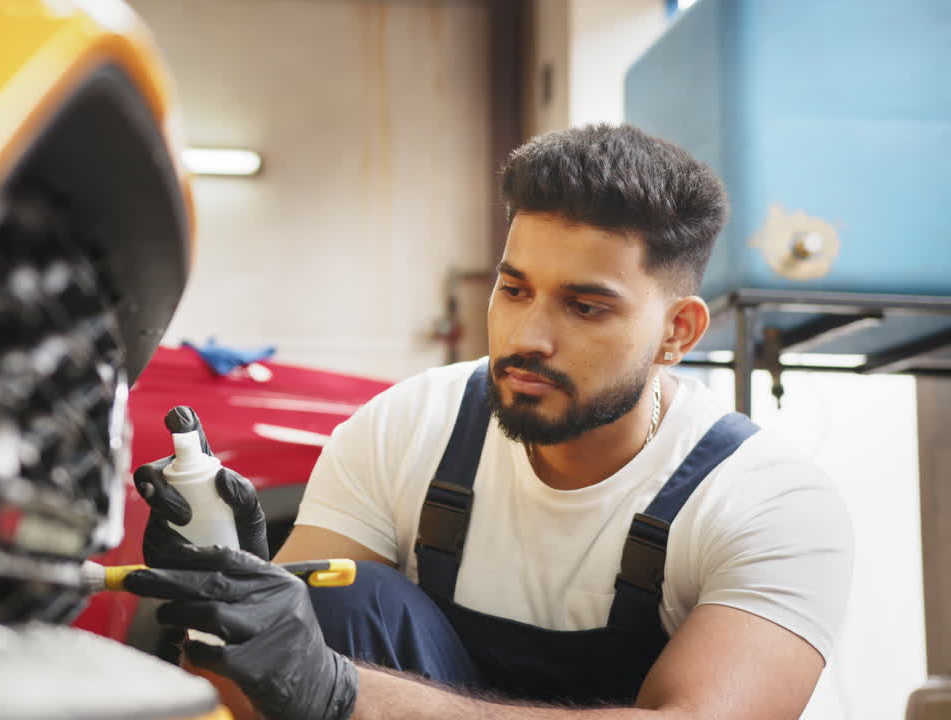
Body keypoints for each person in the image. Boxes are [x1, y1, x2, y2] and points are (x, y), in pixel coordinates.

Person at [125, 124, 854, 720]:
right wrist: (229, 614)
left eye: (585, 306)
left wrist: (346, 696)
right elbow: (271, 690)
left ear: (678, 332)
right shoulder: (405, 429)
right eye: (514, 288)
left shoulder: (769, 502)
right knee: (334, 595)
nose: (528, 335)